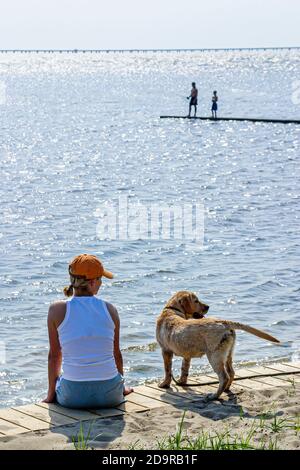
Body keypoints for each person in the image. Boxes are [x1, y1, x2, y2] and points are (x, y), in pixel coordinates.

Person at [43, 253, 133, 409]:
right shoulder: (110, 309)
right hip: (110, 396)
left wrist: (51, 395)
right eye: (100, 279)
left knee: (63, 380)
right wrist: (122, 388)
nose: (101, 284)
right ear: (92, 282)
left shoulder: (56, 310)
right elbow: (116, 353)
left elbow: (54, 356)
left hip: (73, 398)